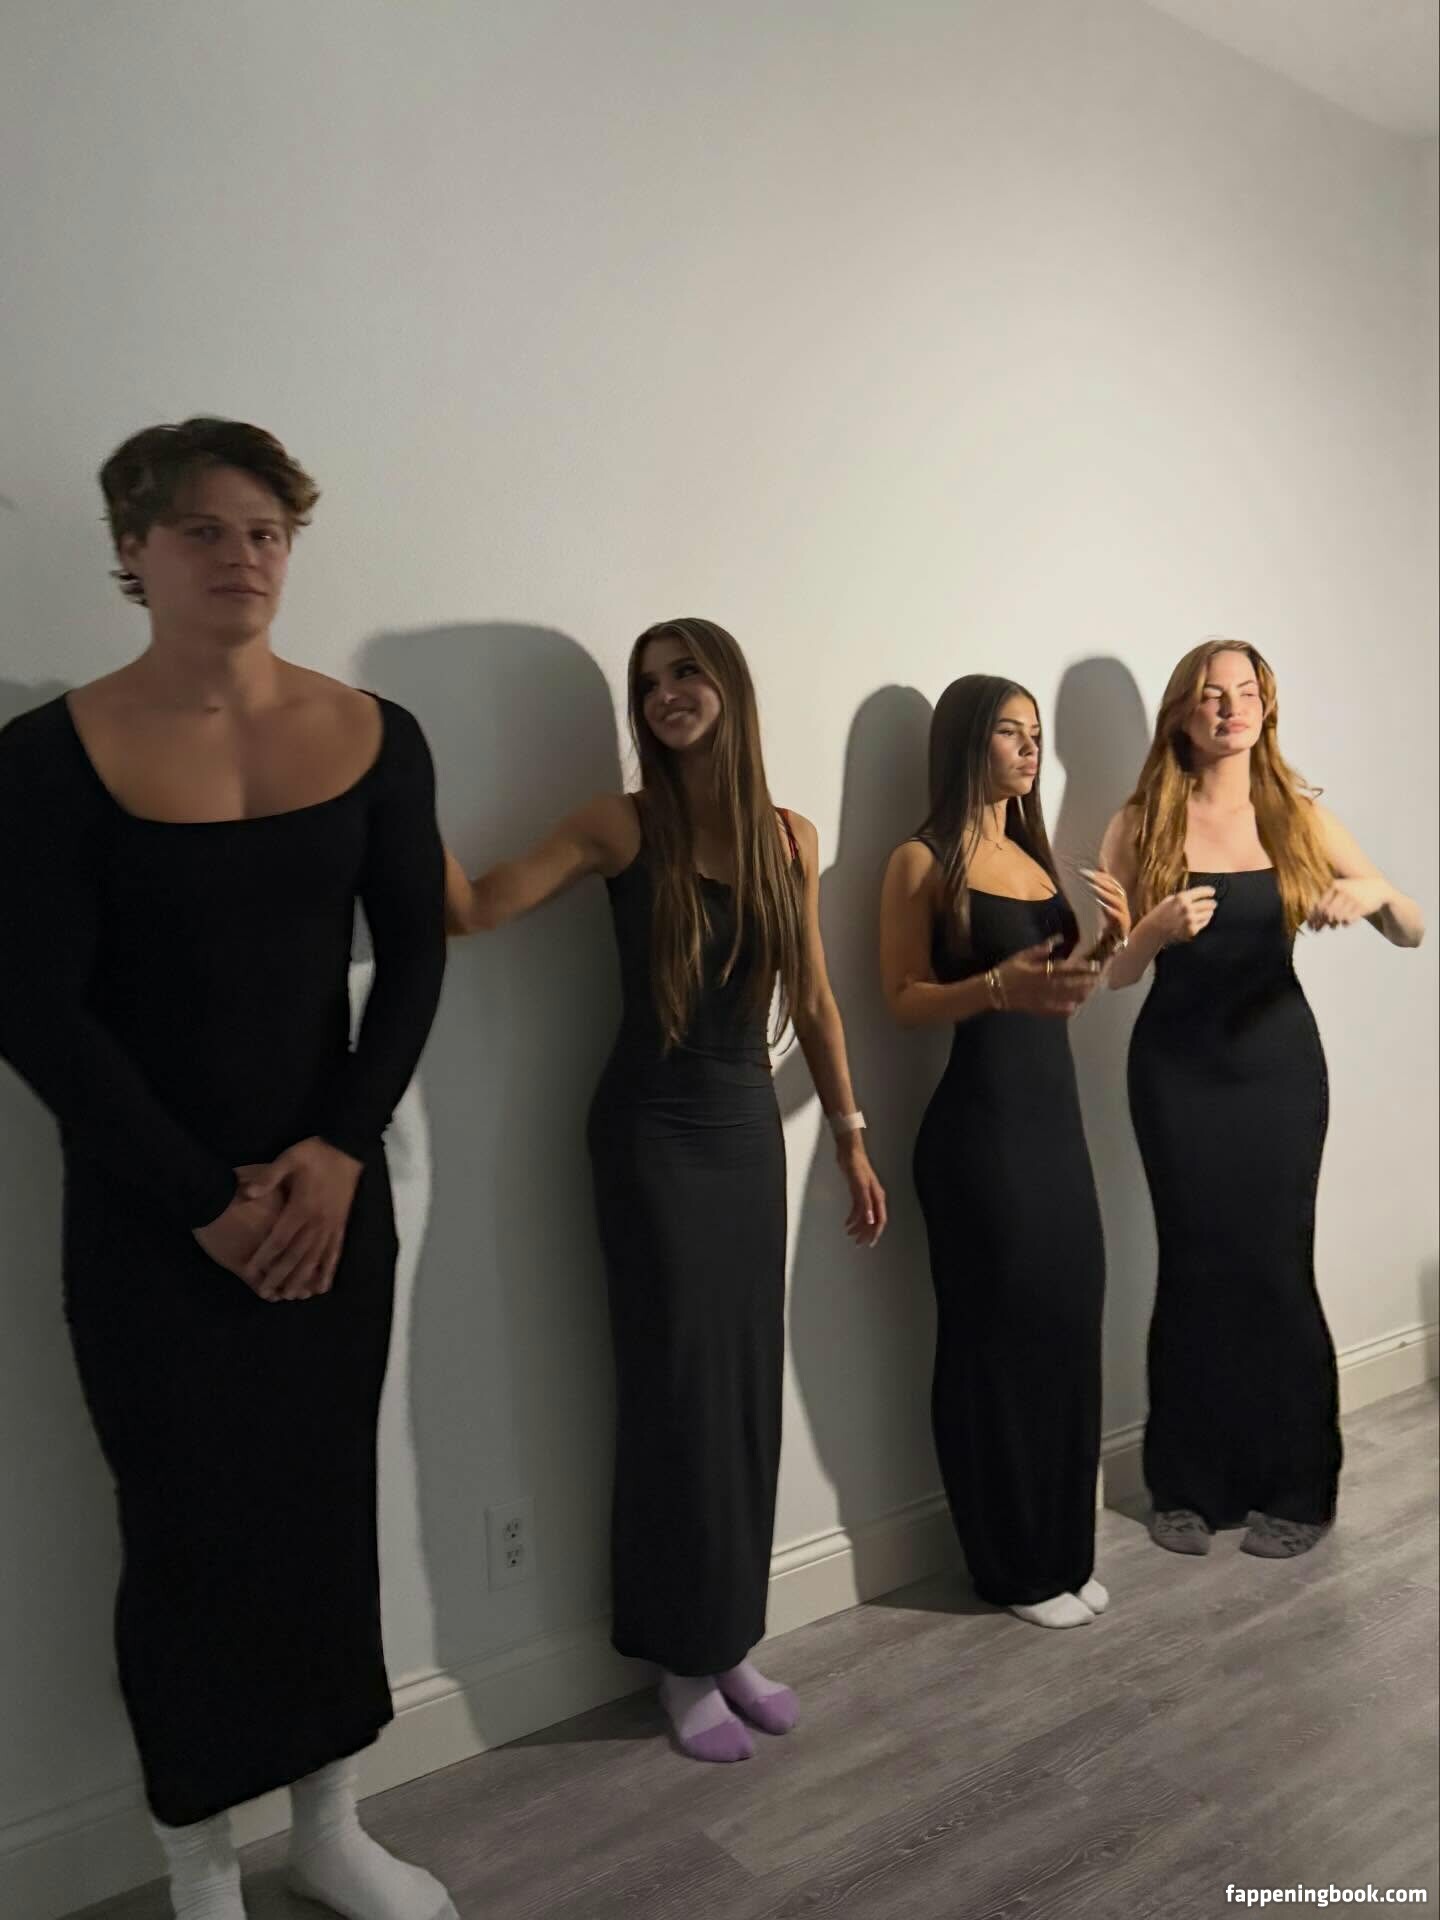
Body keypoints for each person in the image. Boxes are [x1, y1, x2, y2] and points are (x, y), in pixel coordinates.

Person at [0, 419, 455, 1920]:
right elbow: (34, 1011)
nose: (242, 557)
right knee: (182, 1532)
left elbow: (411, 966)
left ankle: (329, 1827)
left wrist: (340, 1149)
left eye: (266, 531)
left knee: (320, 1511)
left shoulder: (378, 736)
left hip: (333, 1201)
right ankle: (200, 1866)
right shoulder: (46, 761)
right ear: (133, 550)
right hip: (150, 1218)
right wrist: (200, 1201)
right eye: (202, 529)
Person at [445, 615, 887, 1760]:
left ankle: (728, 1636)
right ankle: (678, 1660)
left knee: (741, 1392)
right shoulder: (619, 825)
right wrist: (388, 802)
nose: (666, 696)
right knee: (675, 1394)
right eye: (648, 683)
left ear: (728, 685)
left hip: (747, 1135)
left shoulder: (790, 836)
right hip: (650, 1137)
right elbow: (478, 907)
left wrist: (849, 1136)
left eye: (686, 673)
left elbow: (817, 1000)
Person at [1101, 640, 1424, 1559]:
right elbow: (1110, 972)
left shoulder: (1297, 815)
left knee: (1276, 1267)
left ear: (1265, 708)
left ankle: (1300, 1489)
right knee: (1192, 1265)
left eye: (1245, 692)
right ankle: (1186, 1486)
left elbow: (1412, 928)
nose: (1230, 708)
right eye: (1212, 694)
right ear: (1183, 711)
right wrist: (1153, 930)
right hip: (1175, 1072)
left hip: (1277, 1073)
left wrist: (1370, 891)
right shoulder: (1139, 823)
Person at [880, 674, 1128, 1628]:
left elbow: (1054, 997)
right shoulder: (920, 860)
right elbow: (901, 998)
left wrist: (1110, 944)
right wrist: (989, 987)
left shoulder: (1032, 857)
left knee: (1068, 1324)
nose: (1030, 748)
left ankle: (1065, 1552)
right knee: (996, 1343)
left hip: (1054, 1126)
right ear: (965, 743)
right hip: (978, 1134)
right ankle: (1013, 1569)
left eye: (1035, 733)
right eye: (1010, 732)